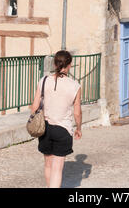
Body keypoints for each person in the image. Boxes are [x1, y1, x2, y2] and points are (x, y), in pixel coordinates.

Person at [31, 50, 82, 188]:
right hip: (63, 129)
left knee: (48, 165)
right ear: (70, 65)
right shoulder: (75, 86)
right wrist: (78, 128)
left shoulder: (44, 80)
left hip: (45, 128)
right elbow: (77, 113)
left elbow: (35, 107)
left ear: (54, 64)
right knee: (57, 168)